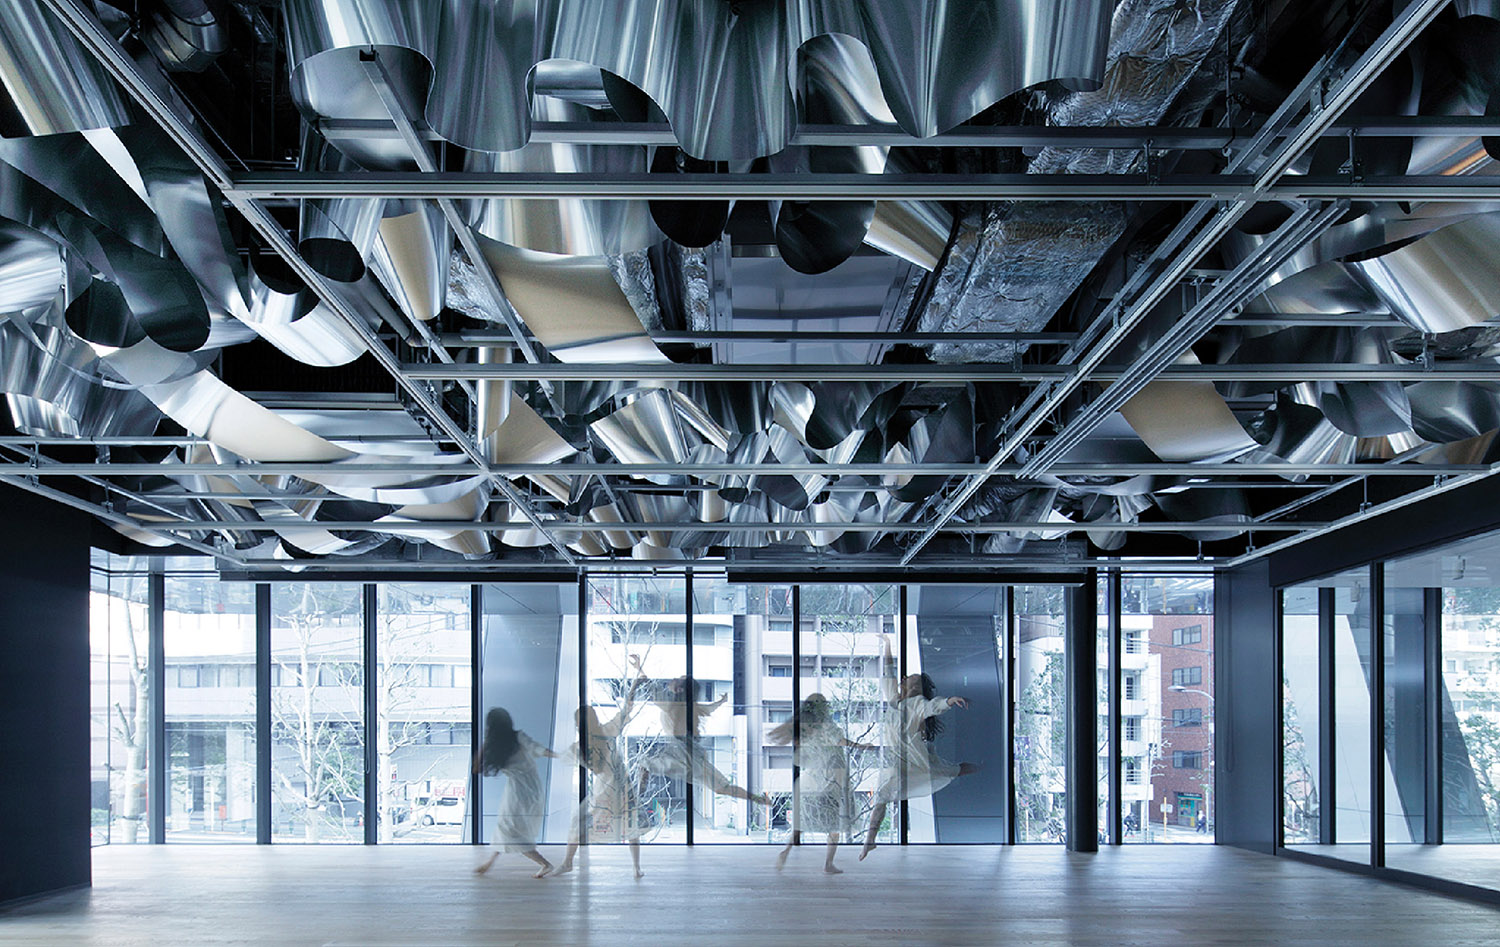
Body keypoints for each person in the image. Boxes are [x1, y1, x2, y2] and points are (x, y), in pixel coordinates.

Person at [859, 637, 978, 861]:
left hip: (917, 761)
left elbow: (934, 706)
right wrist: (886, 645)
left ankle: (981, 768)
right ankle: (870, 842)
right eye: (904, 678)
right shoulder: (894, 700)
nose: (903, 679)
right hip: (898, 762)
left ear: (917, 687)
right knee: (882, 798)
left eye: (910, 679)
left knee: (955, 770)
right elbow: (888, 671)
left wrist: (950, 700)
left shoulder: (918, 703)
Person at [556, 655, 647, 878]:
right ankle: (636, 868)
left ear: (579, 724)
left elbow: (561, 757)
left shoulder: (584, 745)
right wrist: (639, 676)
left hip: (606, 789)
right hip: (621, 787)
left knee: (579, 821)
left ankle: (568, 862)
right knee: (631, 826)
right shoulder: (605, 731)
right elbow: (627, 706)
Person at [768, 693, 875, 874]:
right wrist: (862, 746)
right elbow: (839, 741)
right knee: (835, 825)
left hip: (814, 778)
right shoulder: (826, 724)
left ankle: (786, 851)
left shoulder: (804, 726)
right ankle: (828, 864)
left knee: (802, 823)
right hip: (833, 778)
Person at [640, 674, 771, 808]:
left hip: (685, 755)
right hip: (691, 755)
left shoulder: (673, 705)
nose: (673, 678)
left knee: (648, 765)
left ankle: (637, 797)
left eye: (679, 679)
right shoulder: (690, 706)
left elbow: (654, 691)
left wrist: (641, 671)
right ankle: (757, 798)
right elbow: (709, 709)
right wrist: (720, 702)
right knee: (723, 787)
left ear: (679, 689)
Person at [474, 707, 560, 878]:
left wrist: (486, 741)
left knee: (509, 828)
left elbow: (476, 767)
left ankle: (545, 864)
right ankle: (489, 863)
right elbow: (538, 749)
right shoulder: (514, 738)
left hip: (519, 790)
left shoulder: (498, 744)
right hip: (530, 788)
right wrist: (559, 756)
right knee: (508, 827)